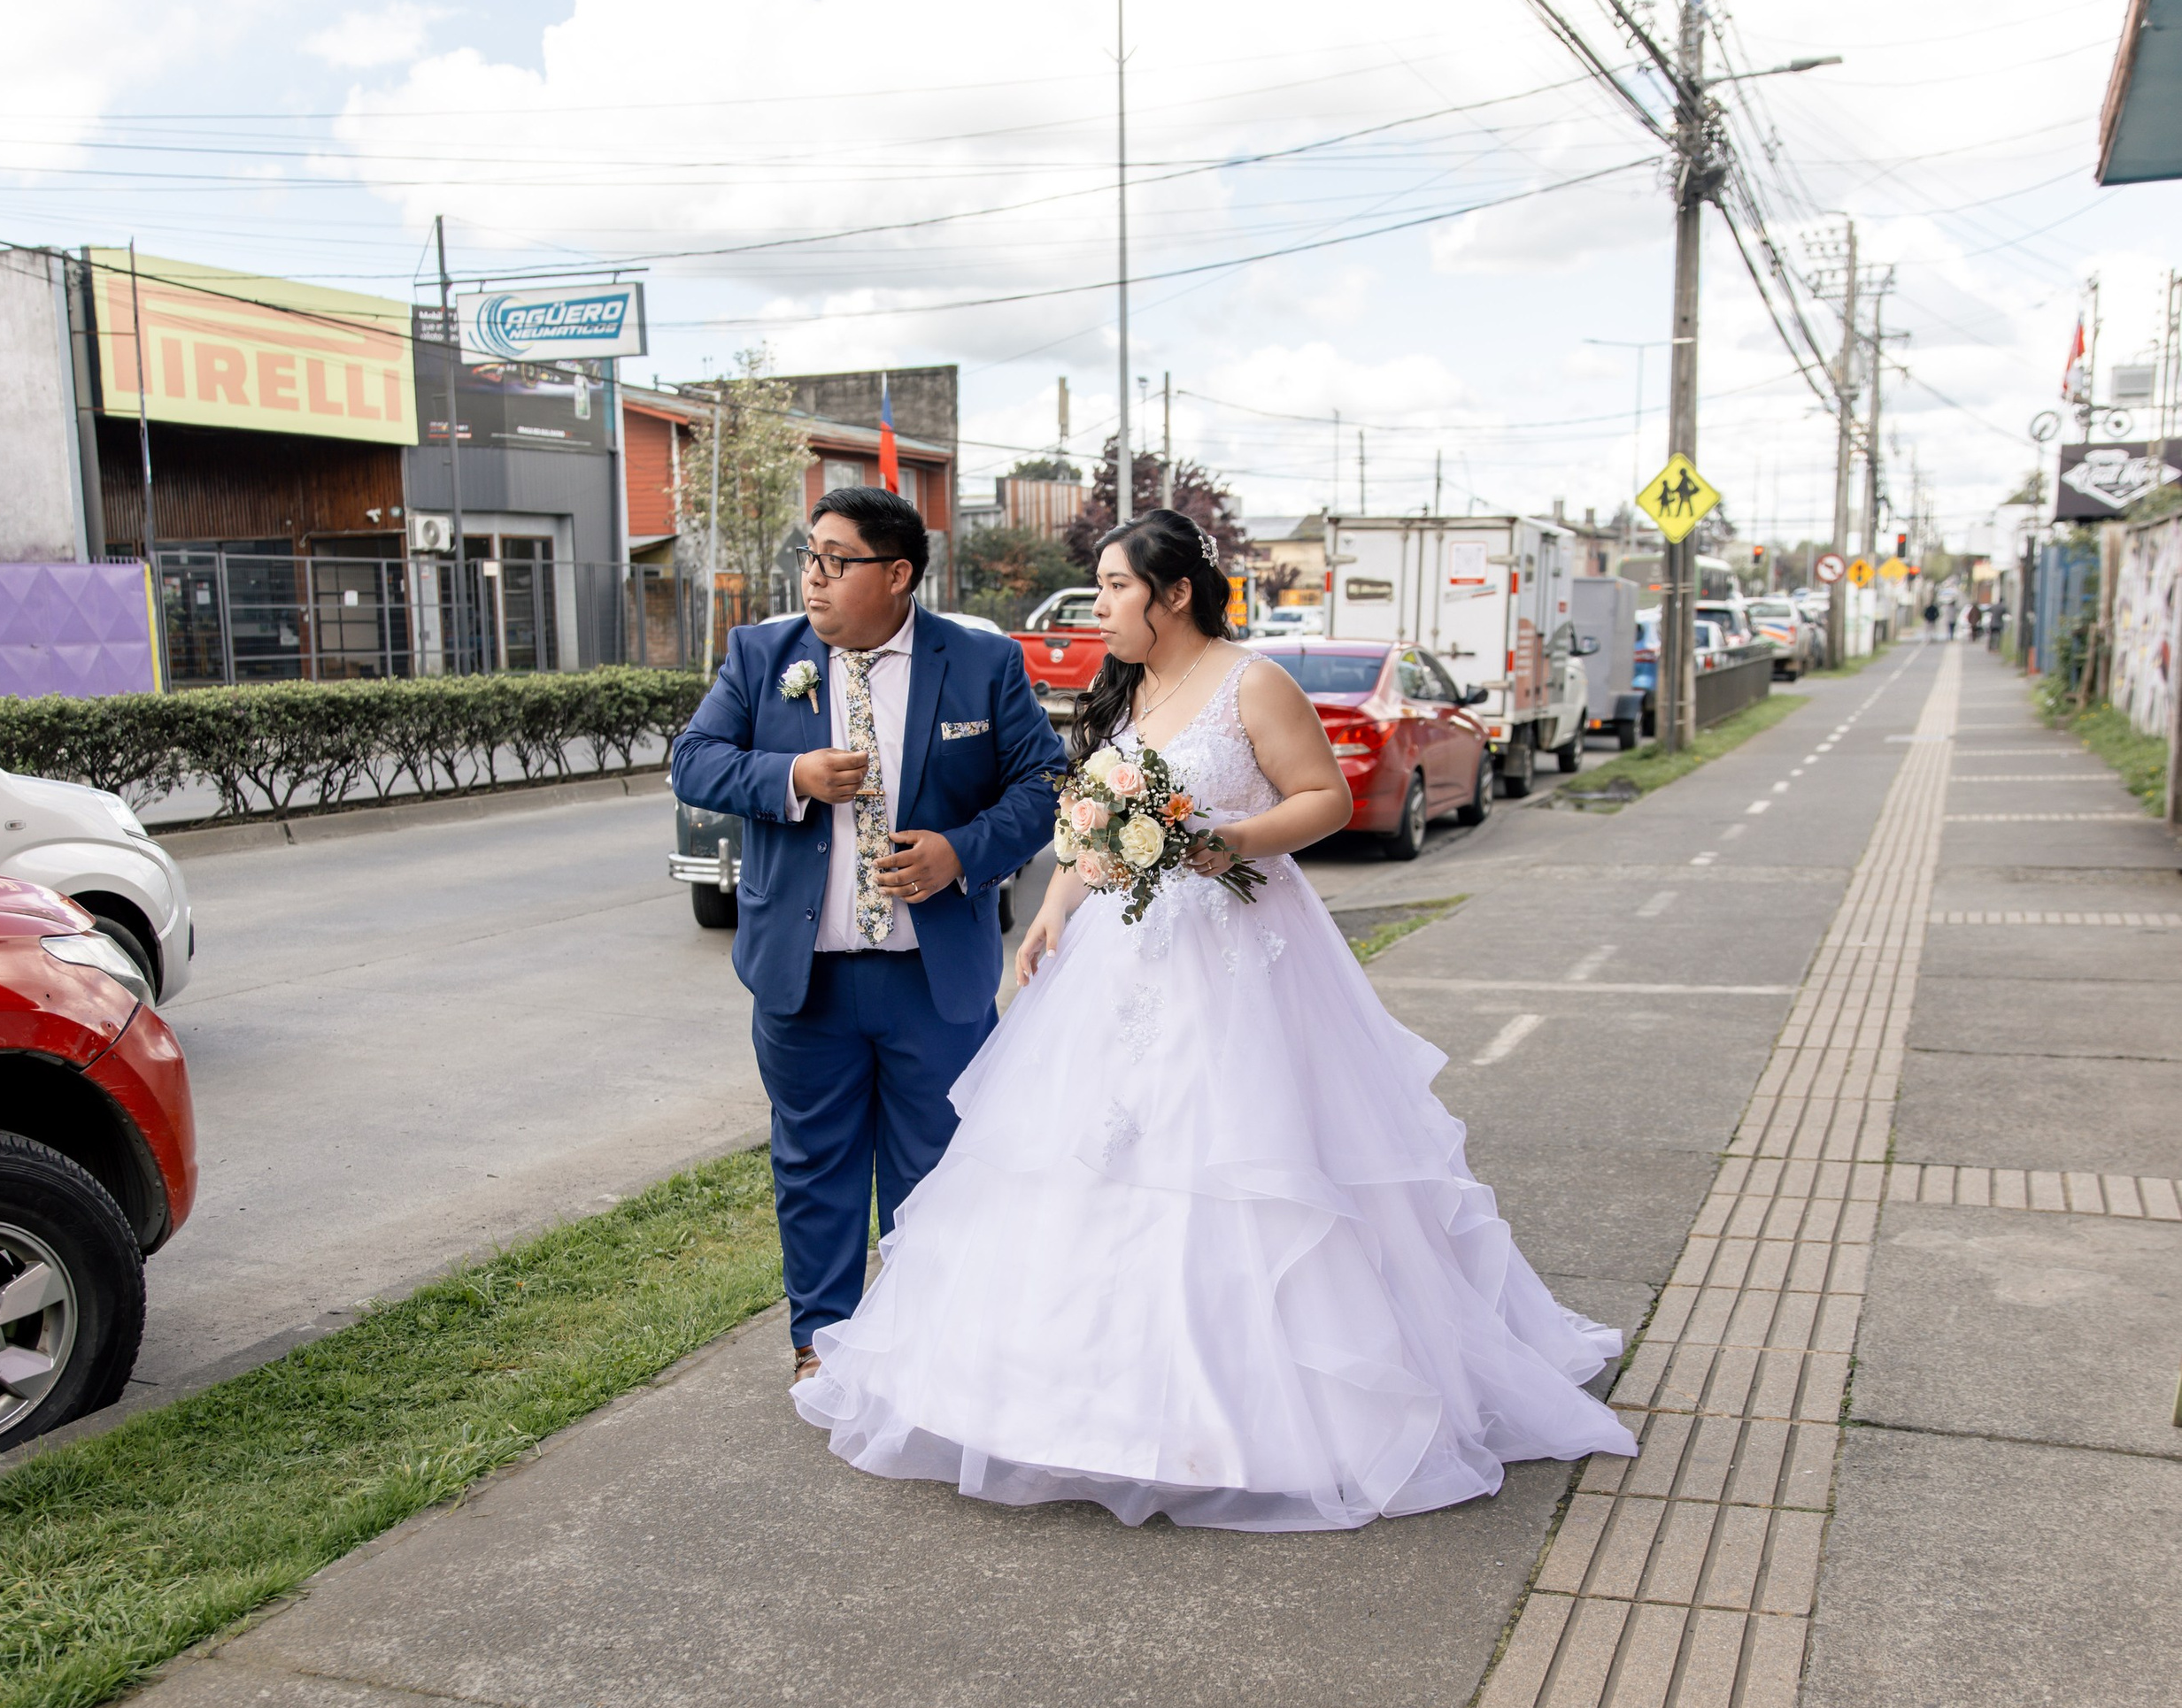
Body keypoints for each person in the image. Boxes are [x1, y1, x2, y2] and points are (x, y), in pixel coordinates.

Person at [795, 510, 1635, 1530]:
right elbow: (1090, 831)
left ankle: (1255, 1414)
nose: (1097, 607)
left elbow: (1321, 797)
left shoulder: (1253, 683)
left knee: (1242, 1165)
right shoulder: (1129, 692)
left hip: (1235, 957)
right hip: (1117, 957)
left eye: (1111, 587)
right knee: (1084, 1164)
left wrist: (1223, 840)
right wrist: (1054, 912)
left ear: (1172, 592)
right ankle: (1069, 1400)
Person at [671, 484, 1061, 1377]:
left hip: (935, 974)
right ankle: (824, 1344)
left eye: (834, 560)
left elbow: (1044, 785)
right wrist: (791, 773)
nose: (812, 578)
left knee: (941, 1168)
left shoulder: (980, 663)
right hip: (805, 974)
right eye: (807, 557)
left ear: (896, 574)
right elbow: (693, 763)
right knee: (814, 1167)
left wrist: (961, 853)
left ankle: (930, 1340)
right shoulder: (760, 654)